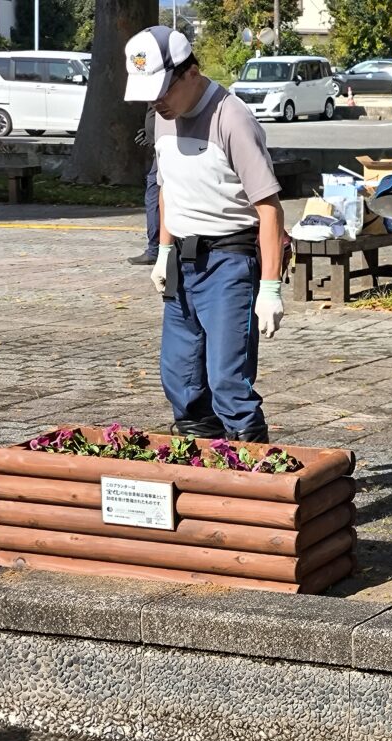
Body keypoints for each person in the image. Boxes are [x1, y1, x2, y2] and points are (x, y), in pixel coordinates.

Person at [123, 26, 285, 442]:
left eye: (162, 91)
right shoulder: (163, 118)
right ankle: (204, 458)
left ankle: (253, 465)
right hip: (183, 261)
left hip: (229, 260)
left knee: (228, 380)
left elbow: (269, 208)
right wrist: (164, 251)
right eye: (149, 95)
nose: (156, 102)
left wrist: (270, 288)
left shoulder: (231, 119)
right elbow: (167, 186)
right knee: (181, 379)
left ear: (191, 72)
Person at [127, 105, 159, 266]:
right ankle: (157, 249)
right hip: (161, 146)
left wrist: (154, 133)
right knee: (155, 198)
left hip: (166, 148)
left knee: (155, 199)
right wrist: (150, 132)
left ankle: (156, 250)